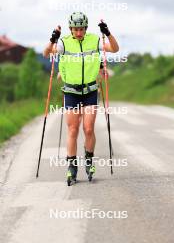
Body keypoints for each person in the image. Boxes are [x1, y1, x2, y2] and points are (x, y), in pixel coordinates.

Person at [43, 12, 119, 185]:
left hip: (90, 91)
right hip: (71, 92)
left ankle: (89, 160)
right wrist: (52, 39)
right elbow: (46, 53)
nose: (79, 32)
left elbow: (115, 49)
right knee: (73, 130)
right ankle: (72, 166)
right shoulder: (64, 42)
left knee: (89, 129)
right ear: (71, 29)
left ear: (86, 28)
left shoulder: (94, 40)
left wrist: (107, 33)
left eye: (82, 29)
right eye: (76, 29)